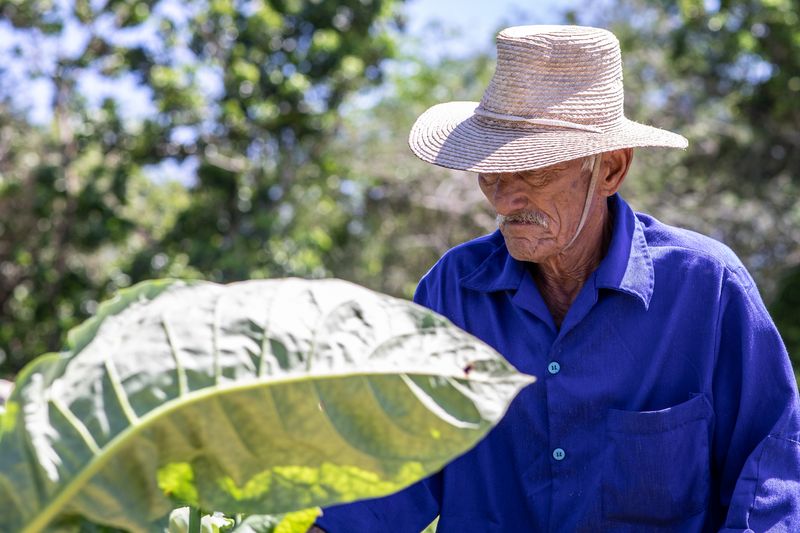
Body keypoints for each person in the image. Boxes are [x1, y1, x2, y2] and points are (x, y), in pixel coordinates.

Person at [312, 25, 800, 532]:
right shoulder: (451, 294)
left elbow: (770, 481)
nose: (504, 201)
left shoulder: (706, 288)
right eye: (492, 174)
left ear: (610, 170)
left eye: (534, 172)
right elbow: (385, 469)